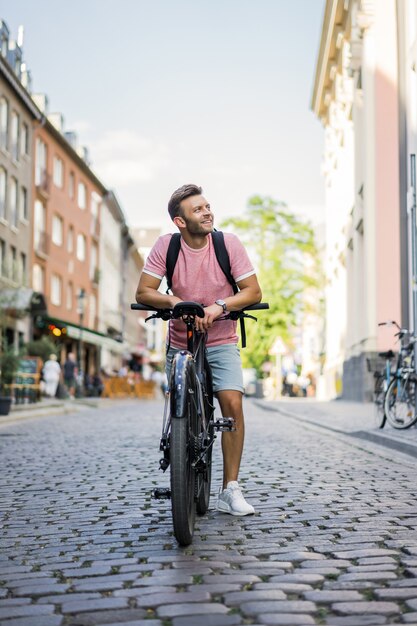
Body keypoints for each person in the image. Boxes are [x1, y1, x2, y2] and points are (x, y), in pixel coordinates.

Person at [136, 184, 262, 516]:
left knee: (232, 403)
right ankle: (181, 447)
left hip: (221, 339)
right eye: (198, 210)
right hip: (181, 342)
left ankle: (229, 489)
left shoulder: (227, 244)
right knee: (185, 406)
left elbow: (252, 291)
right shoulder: (166, 246)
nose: (207, 213)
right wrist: (175, 302)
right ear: (180, 221)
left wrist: (219, 306)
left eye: (208, 207)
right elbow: (145, 291)